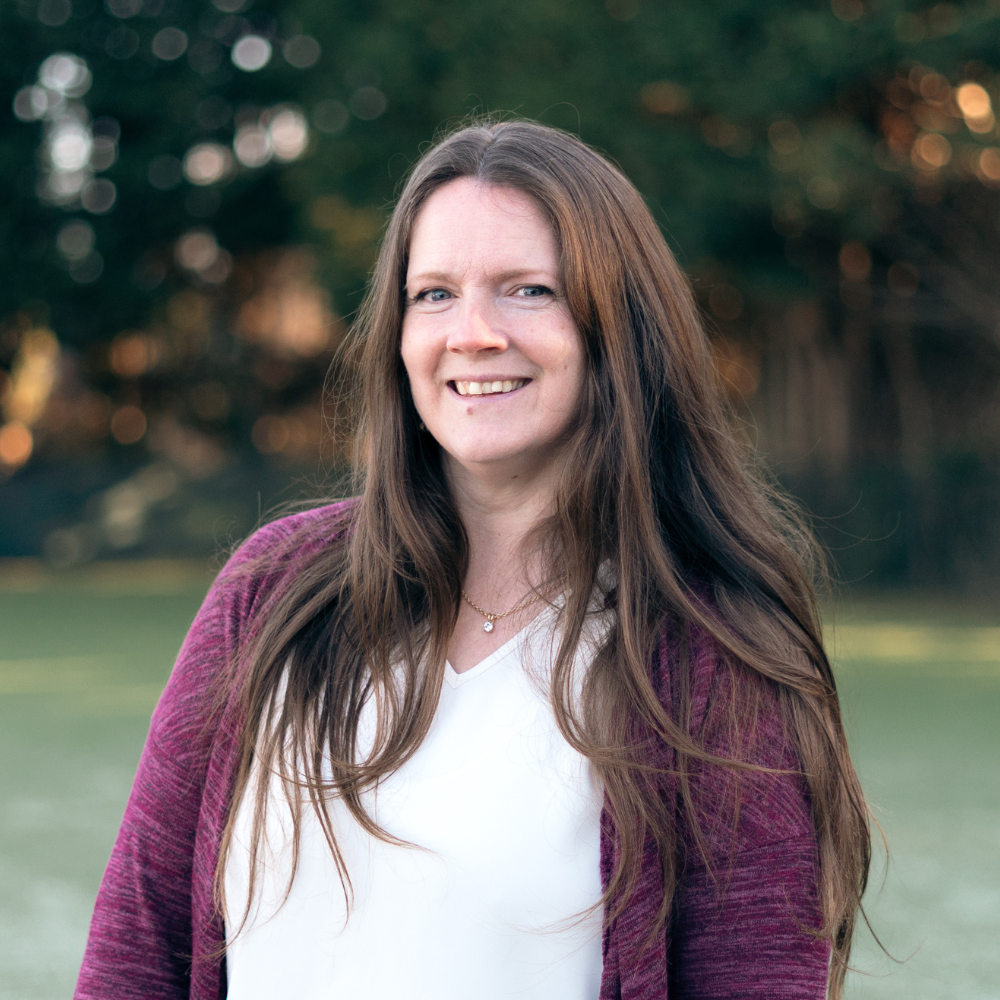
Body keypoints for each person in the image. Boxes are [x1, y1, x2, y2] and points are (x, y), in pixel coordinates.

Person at [75, 119, 871, 1000]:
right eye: (434, 294)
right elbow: (137, 943)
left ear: (618, 326)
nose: (474, 332)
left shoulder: (708, 653)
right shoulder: (272, 592)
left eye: (528, 290)